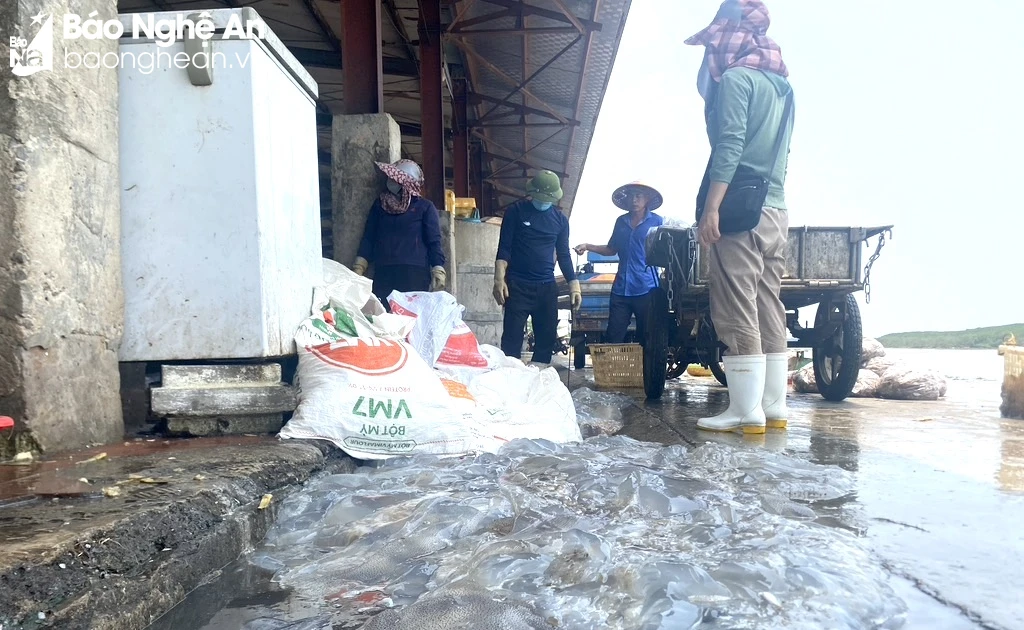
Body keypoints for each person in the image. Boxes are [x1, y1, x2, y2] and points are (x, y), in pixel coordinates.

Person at [687, 0, 795, 434]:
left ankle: (744, 411)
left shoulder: (735, 79)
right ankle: (774, 409)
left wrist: (712, 206)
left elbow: (729, 145)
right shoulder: (785, 87)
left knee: (735, 302)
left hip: (738, 207)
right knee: (769, 302)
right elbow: (783, 154)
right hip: (776, 207)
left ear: (726, 33)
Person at [493, 170, 582, 366]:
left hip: (546, 289)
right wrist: (499, 279)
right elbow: (504, 248)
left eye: (547, 198)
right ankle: (510, 379)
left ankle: (537, 380)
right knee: (511, 340)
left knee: (545, 340)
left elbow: (564, 255)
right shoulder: (515, 212)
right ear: (532, 193)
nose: (542, 201)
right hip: (517, 286)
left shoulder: (560, 221)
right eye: (539, 197)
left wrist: (574, 285)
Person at [574, 181, 665, 345]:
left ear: (647, 200)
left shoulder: (658, 222)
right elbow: (611, 249)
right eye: (631, 196)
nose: (634, 200)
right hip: (621, 288)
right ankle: (613, 370)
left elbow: (666, 253)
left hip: (647, 288)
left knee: (647, 336)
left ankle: (645, 370)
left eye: (638, 196)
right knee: (613, 335)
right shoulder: (621, 222)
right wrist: (588, 246)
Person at [352, 159, 446, 310]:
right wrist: (360, 265)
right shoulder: (380, 205)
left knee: (409, 319)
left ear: (407, 182)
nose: (390, 181)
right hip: (384, 271)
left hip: (414, 273)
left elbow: (433, 241)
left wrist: (438, 268)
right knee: (383, 318)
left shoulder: (424, 207)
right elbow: (369, 236)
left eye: (395, 179)